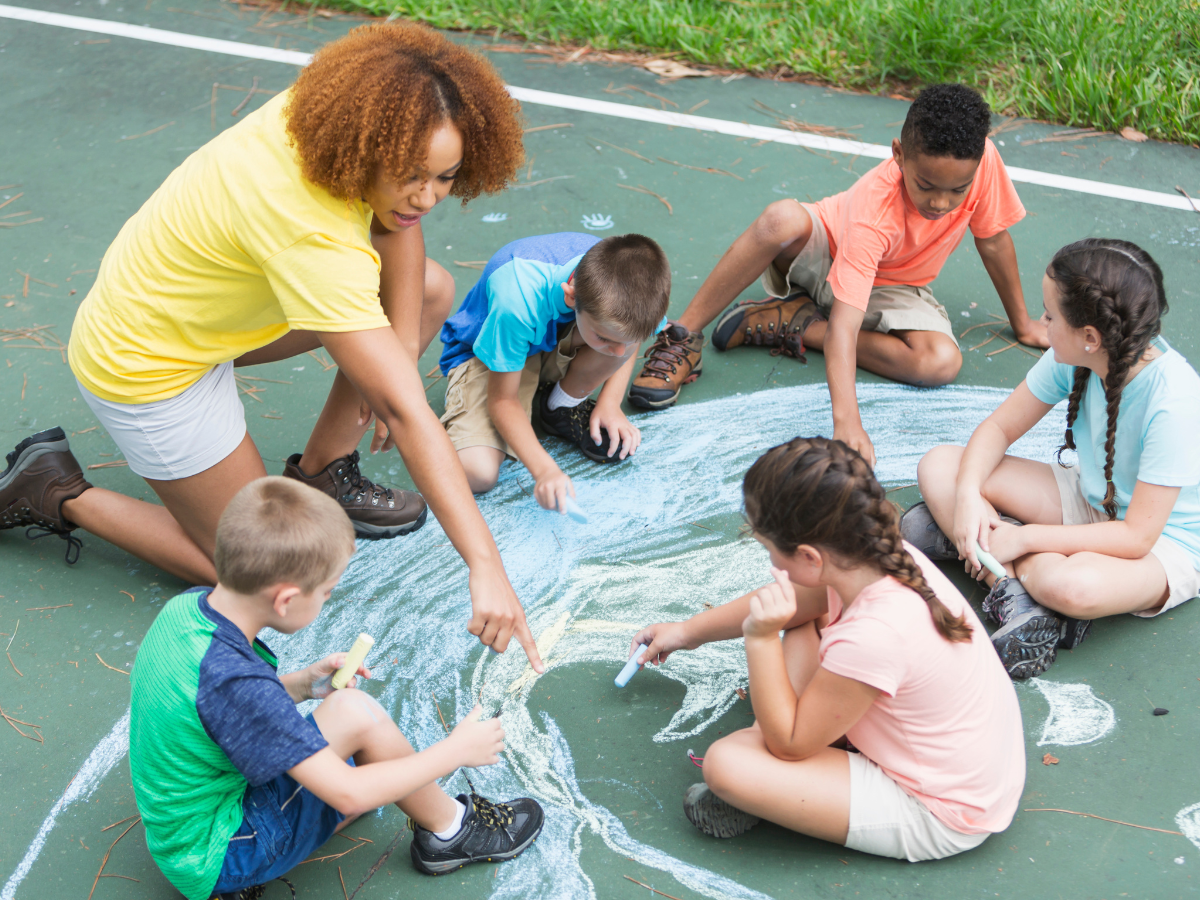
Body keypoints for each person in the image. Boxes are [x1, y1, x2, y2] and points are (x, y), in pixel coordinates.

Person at [0, 24, 545, 669]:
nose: (426, 197)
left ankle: (323, 474)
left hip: (216, 313)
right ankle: (53, 488)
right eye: (410, 176)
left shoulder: (336, 112)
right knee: (250, 577)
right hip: (148, 360)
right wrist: (485, 566)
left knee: (426, 291)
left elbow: (400, 226)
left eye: (444, 177)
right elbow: (405, 412)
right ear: (365, 148)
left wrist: (395, 352)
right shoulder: (308, 232)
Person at [129, 477, 544, 900]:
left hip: (182, 829)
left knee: (349, 720)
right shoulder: (241, 687)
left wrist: (302, 685)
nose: (328, 598)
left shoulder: (187, 611)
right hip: (220, 854)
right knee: (358, 727)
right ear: (286, 600)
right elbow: (348, 793)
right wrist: (454, 752)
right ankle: (450, 832)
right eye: (326, 592)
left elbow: (218, 711)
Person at [629, 437, 1024, 862]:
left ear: (810, 557)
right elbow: (798, 601)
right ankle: (792, 772)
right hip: (971, 763)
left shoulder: (875, 633)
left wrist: (760, 638)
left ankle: (773, 787)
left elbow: (791, 745)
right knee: (802, 620)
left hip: (939, 810)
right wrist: (688, 632)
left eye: (770, 551)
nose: (771, 564)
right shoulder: (877, 557)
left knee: (726, 765)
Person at [627, 83, 1048, 468]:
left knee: (939, 363)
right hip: (826, 251)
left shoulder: (982, 160)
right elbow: (844, 329)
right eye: (925, 185)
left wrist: (1024, 325)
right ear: (898, 154)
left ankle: (795, 322)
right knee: (780, 220)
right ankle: (681, 336)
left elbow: (993, 240)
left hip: (891, 284)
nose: (940, 202)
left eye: (957, 191)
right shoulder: (874, 214)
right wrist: (847, 422)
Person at [904, 239, 1200, 679]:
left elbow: (1137, 537)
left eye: (1049, 315)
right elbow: (998, 429)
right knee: (941, 465)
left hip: (1164, 542)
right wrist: (967, 496)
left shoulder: (1174, 400)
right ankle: (1012, 589)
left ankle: (993, 554)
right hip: (1095, 500)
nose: (1042, 322)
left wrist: (1024, 540)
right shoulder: (1084, 354)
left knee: (1072, 586)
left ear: (1089, 337)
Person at [438, 232, 670, 513]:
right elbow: (503, 401)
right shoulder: (517, 299)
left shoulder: (628, 288)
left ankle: (560, 405)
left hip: (552, 335)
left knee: (617, 338)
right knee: (478, 473)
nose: (620, 354)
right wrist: (545, 470)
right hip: (489, 356)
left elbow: (626, 340)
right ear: (571, 297)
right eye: (606, 339)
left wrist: (611, 403)